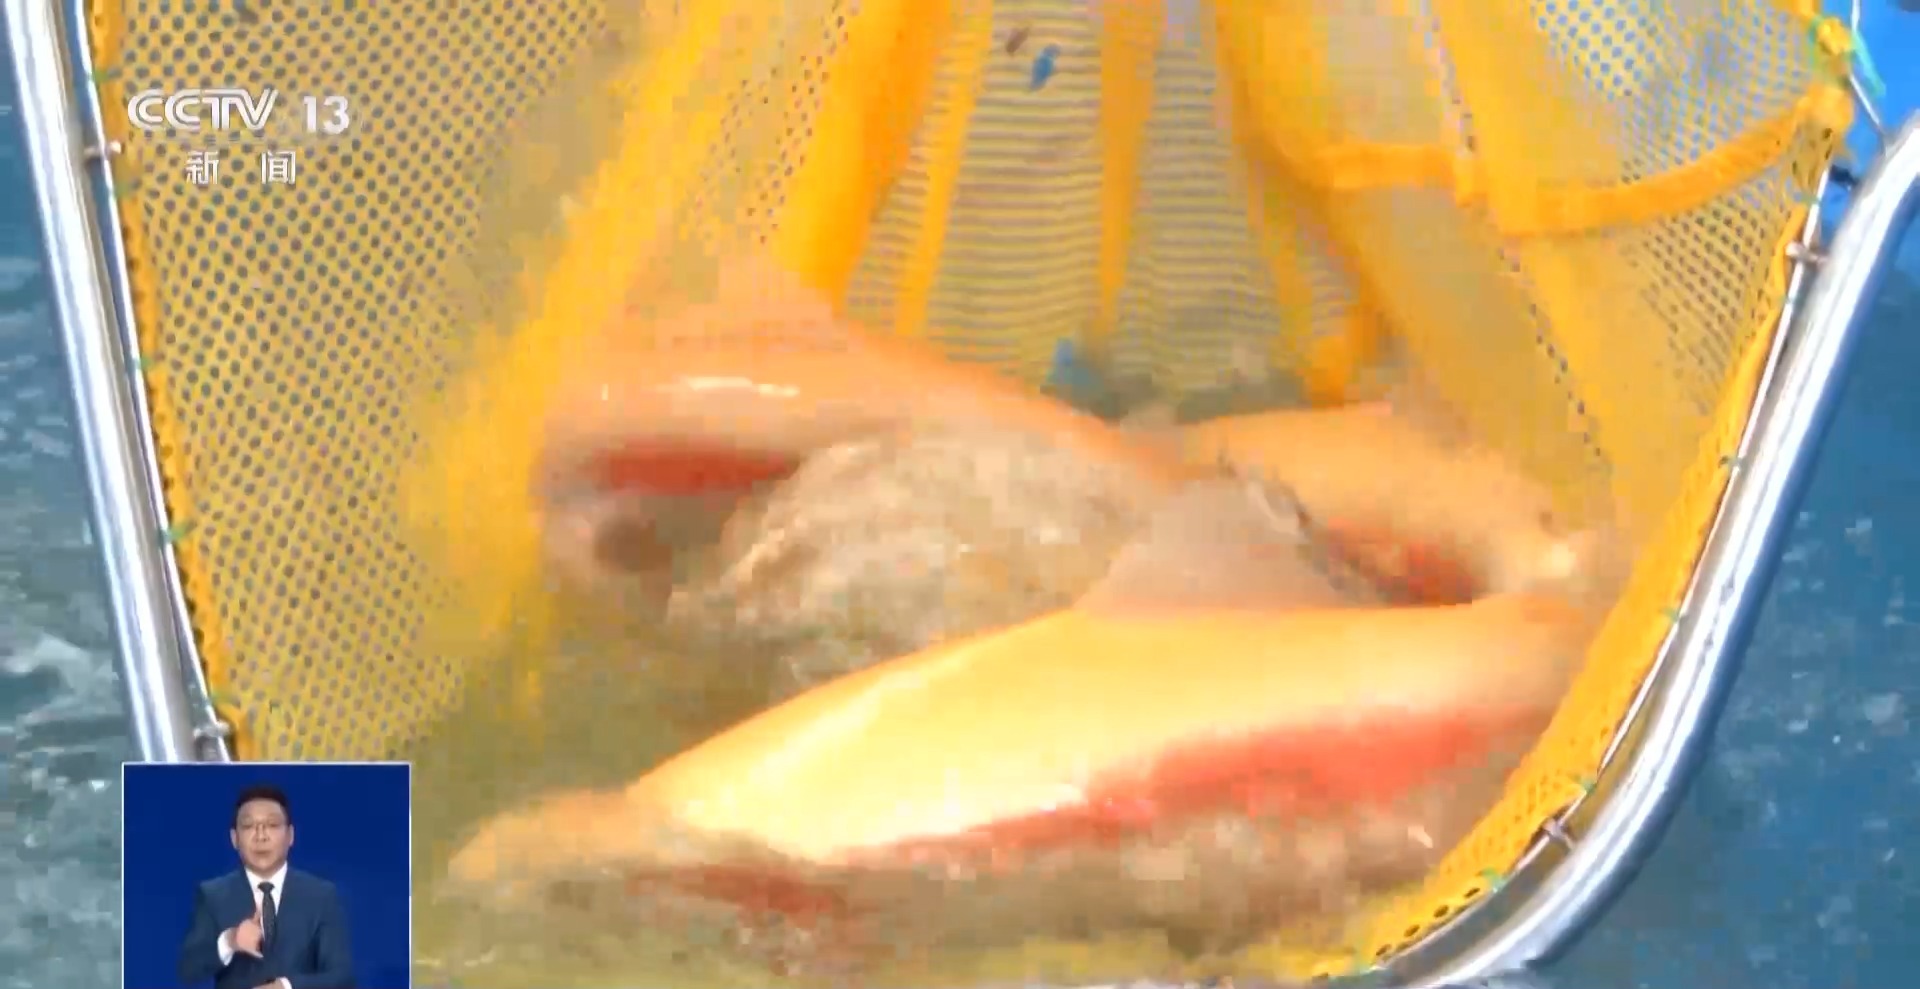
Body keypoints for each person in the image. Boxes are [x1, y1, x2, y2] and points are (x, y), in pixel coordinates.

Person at [176, 784, 356, 989]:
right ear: (234, 839)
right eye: (248, 826)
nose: (260, 836)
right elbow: (188, 969)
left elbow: (342, 979)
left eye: (272, 825)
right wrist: (230, 941)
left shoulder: (321, 896)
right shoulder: (213, 895)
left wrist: (286, 987)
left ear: (290, 836)